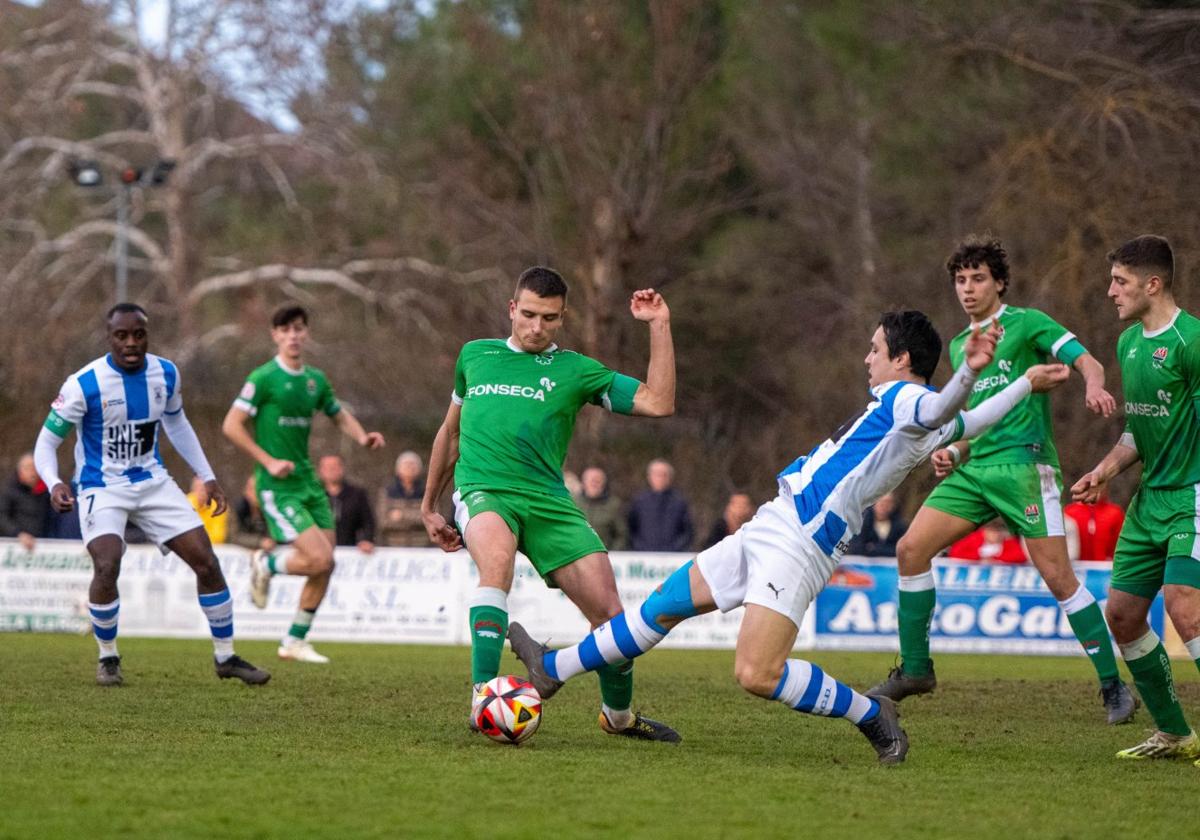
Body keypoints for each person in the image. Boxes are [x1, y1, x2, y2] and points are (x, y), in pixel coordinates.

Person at [509, 310, 1068, 765]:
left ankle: (871, 713)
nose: (866, 358)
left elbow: (947, 403)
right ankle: (552, 670)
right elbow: (968, 421)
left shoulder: (907, 400)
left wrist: (969, 373)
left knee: (757, 674)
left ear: (901, 359)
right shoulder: (918, 415)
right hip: (775, 521)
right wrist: (1023, 383)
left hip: (801, 545)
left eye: (875, 349)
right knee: (663, 606)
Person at [869, 236, 1135, 724]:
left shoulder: (1027, 323)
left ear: (999, 282)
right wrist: (953, 450)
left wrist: (1093, 386)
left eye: (977, 279)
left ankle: (1113, 685)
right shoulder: (959, 345)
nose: (967, 289)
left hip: (1025, 469)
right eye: (960, 280)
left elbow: (1087, 361)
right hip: (975, 471)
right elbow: (976, 419)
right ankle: (915, 669)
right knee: (910, 550)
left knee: (1059, 578)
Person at [422, 266, 679, 741]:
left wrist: (659, 324)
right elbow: (451, 431)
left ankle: (617, 718)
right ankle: (485, 697)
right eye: (530, 314)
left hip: (549, 500)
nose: (537, 327)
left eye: (550, 318)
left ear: (562, 319)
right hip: (485, 489)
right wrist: (428, 504)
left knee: (610, 614)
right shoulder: (475, 356)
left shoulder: (576, 370)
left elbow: (658, 402)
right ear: (512, 309)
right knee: (495, 564)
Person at [32, 303, 268, 686]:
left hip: (153, 481)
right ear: (109, 337)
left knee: (206, 561)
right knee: (107, 563)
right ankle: (108, 657)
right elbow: (46, 442)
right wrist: (55, 481)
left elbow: (177, 423)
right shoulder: (83, 384)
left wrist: (206, 476)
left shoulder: (166, 373)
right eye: (121, 336)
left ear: (147, 335)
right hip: (101, 485)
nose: (130, 343)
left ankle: (226, 657)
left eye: (138, 335)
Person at [1071, 235, 1200, 761]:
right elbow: (1139, 430)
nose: (1109, 292)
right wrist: (1104, 469)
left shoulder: (1192, 342)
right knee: (1122, 614)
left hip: (1192, 496)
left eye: (1120, 282)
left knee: (1183, 606)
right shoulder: (1128, 344)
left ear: (1153, 284)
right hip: (1150, 501)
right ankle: (1175, 733)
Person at [222, 305, 385, 664]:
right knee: (319, 557)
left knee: (326, 564)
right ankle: (267, 565)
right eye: (285, 329)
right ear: (275, 335)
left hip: (309, 483)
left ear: (306, 333)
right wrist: (267, 461)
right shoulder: (263, 378)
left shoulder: (315, 380)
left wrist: (362, 437)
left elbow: (337, 413)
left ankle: (294, 641)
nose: (293, 335)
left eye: (298, 328)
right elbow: (231, 425)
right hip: (276, 486)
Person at [627, 459, 694, 551]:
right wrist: (639, 547)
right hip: (643, 557)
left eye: (664, 475)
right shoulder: (639, 501)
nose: (660, 478)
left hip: (671, 558)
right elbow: (631, 530)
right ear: (649, 477)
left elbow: (687, 532)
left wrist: (675, 549)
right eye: (656, 474)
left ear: (670, 478)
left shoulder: (679, 502)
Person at [318, 454, 376, 553]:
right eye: (327, 467)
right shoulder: (314, 495)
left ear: (342, 468)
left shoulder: (357, 494)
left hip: (351, 551)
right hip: (319, 551)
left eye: (335, 467)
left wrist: (366, 540)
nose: (331, 470)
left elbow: (368, 522)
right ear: (320, 471)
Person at [0, 453, 51, 551]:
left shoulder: (46, 493)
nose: (33, 472)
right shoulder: (9, 491)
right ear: (20, 471)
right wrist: (18, 534)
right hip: (13, 547)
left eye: (35, 468)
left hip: (43, 547)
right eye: (28, 468)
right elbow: (2, 517)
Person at [378, 451, 427, 547]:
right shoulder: (387, 491)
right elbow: (383, 522)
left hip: (422, 549)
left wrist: (402, 515)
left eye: (413, 465)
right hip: (393, 548)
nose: (410, 468)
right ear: (398, 469)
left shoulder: (428, 492)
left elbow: (430, 520)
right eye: (406, 465)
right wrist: (416, 517)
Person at [1063, 492, 1124, 562]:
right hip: (1076, 567)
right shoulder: (1070, 512)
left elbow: (1120, 544)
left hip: (1107, 568)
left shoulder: (1115, 513)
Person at [578, 466, 627, 551]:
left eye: (598, 480)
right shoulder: (572, 503)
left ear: (604, 484)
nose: (594, 483)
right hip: (576, 556)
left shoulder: (614, 505)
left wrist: (614, 553)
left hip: (603, 557)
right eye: (591, 480)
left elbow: (622, 534)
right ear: (583, 483)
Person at [845, 493, 907, 557]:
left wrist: (873, 548)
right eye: (881, 502)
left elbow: (902, 550)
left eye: (888, 503)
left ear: (893, 505)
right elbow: (855, 548)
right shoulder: (862, 524)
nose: (884, 506)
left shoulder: (900, 526)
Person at [947, 520, 1027, 564]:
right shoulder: (973, 539)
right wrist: (979, 558)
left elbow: (1020, 556)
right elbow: (955, 553)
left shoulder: (1008, 542)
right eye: (992, 531)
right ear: (985, 531)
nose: (995, 535)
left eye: (998, 531)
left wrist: (995, 559)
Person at [231, 474, 274, 552]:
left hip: (268, 552)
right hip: (243, 552)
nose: (254, 493)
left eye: (258, 489)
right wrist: (259, 542)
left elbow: (275, 535)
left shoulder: (271, 509)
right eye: (250, 489)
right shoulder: (239, 508)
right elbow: (234, 536)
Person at [187, 475, 228, 545]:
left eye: (204, 489)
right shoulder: (185, 504)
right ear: (193, 489)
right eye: (198, 488)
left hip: (212, 547)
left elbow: (219, 536)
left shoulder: (218, 506)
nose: (201, 492)